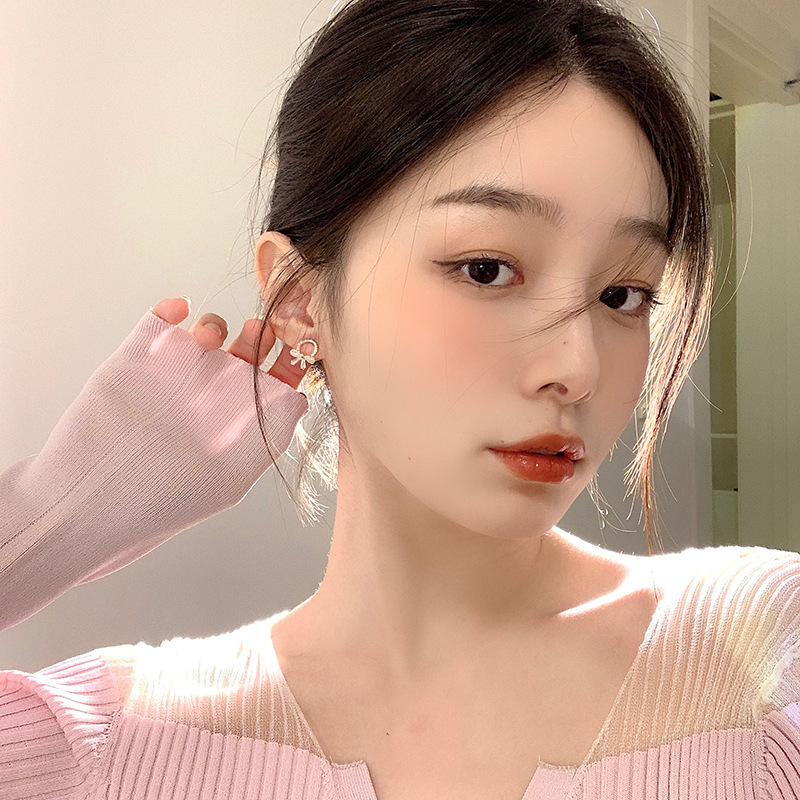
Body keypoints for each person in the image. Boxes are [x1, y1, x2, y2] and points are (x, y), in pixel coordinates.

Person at [1, 0, 799, 797]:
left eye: (624, 295)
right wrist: (57, 511)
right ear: (299, 301)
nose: (578, 366)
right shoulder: (101, 747)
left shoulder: (766, 651)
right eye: (487, 269)